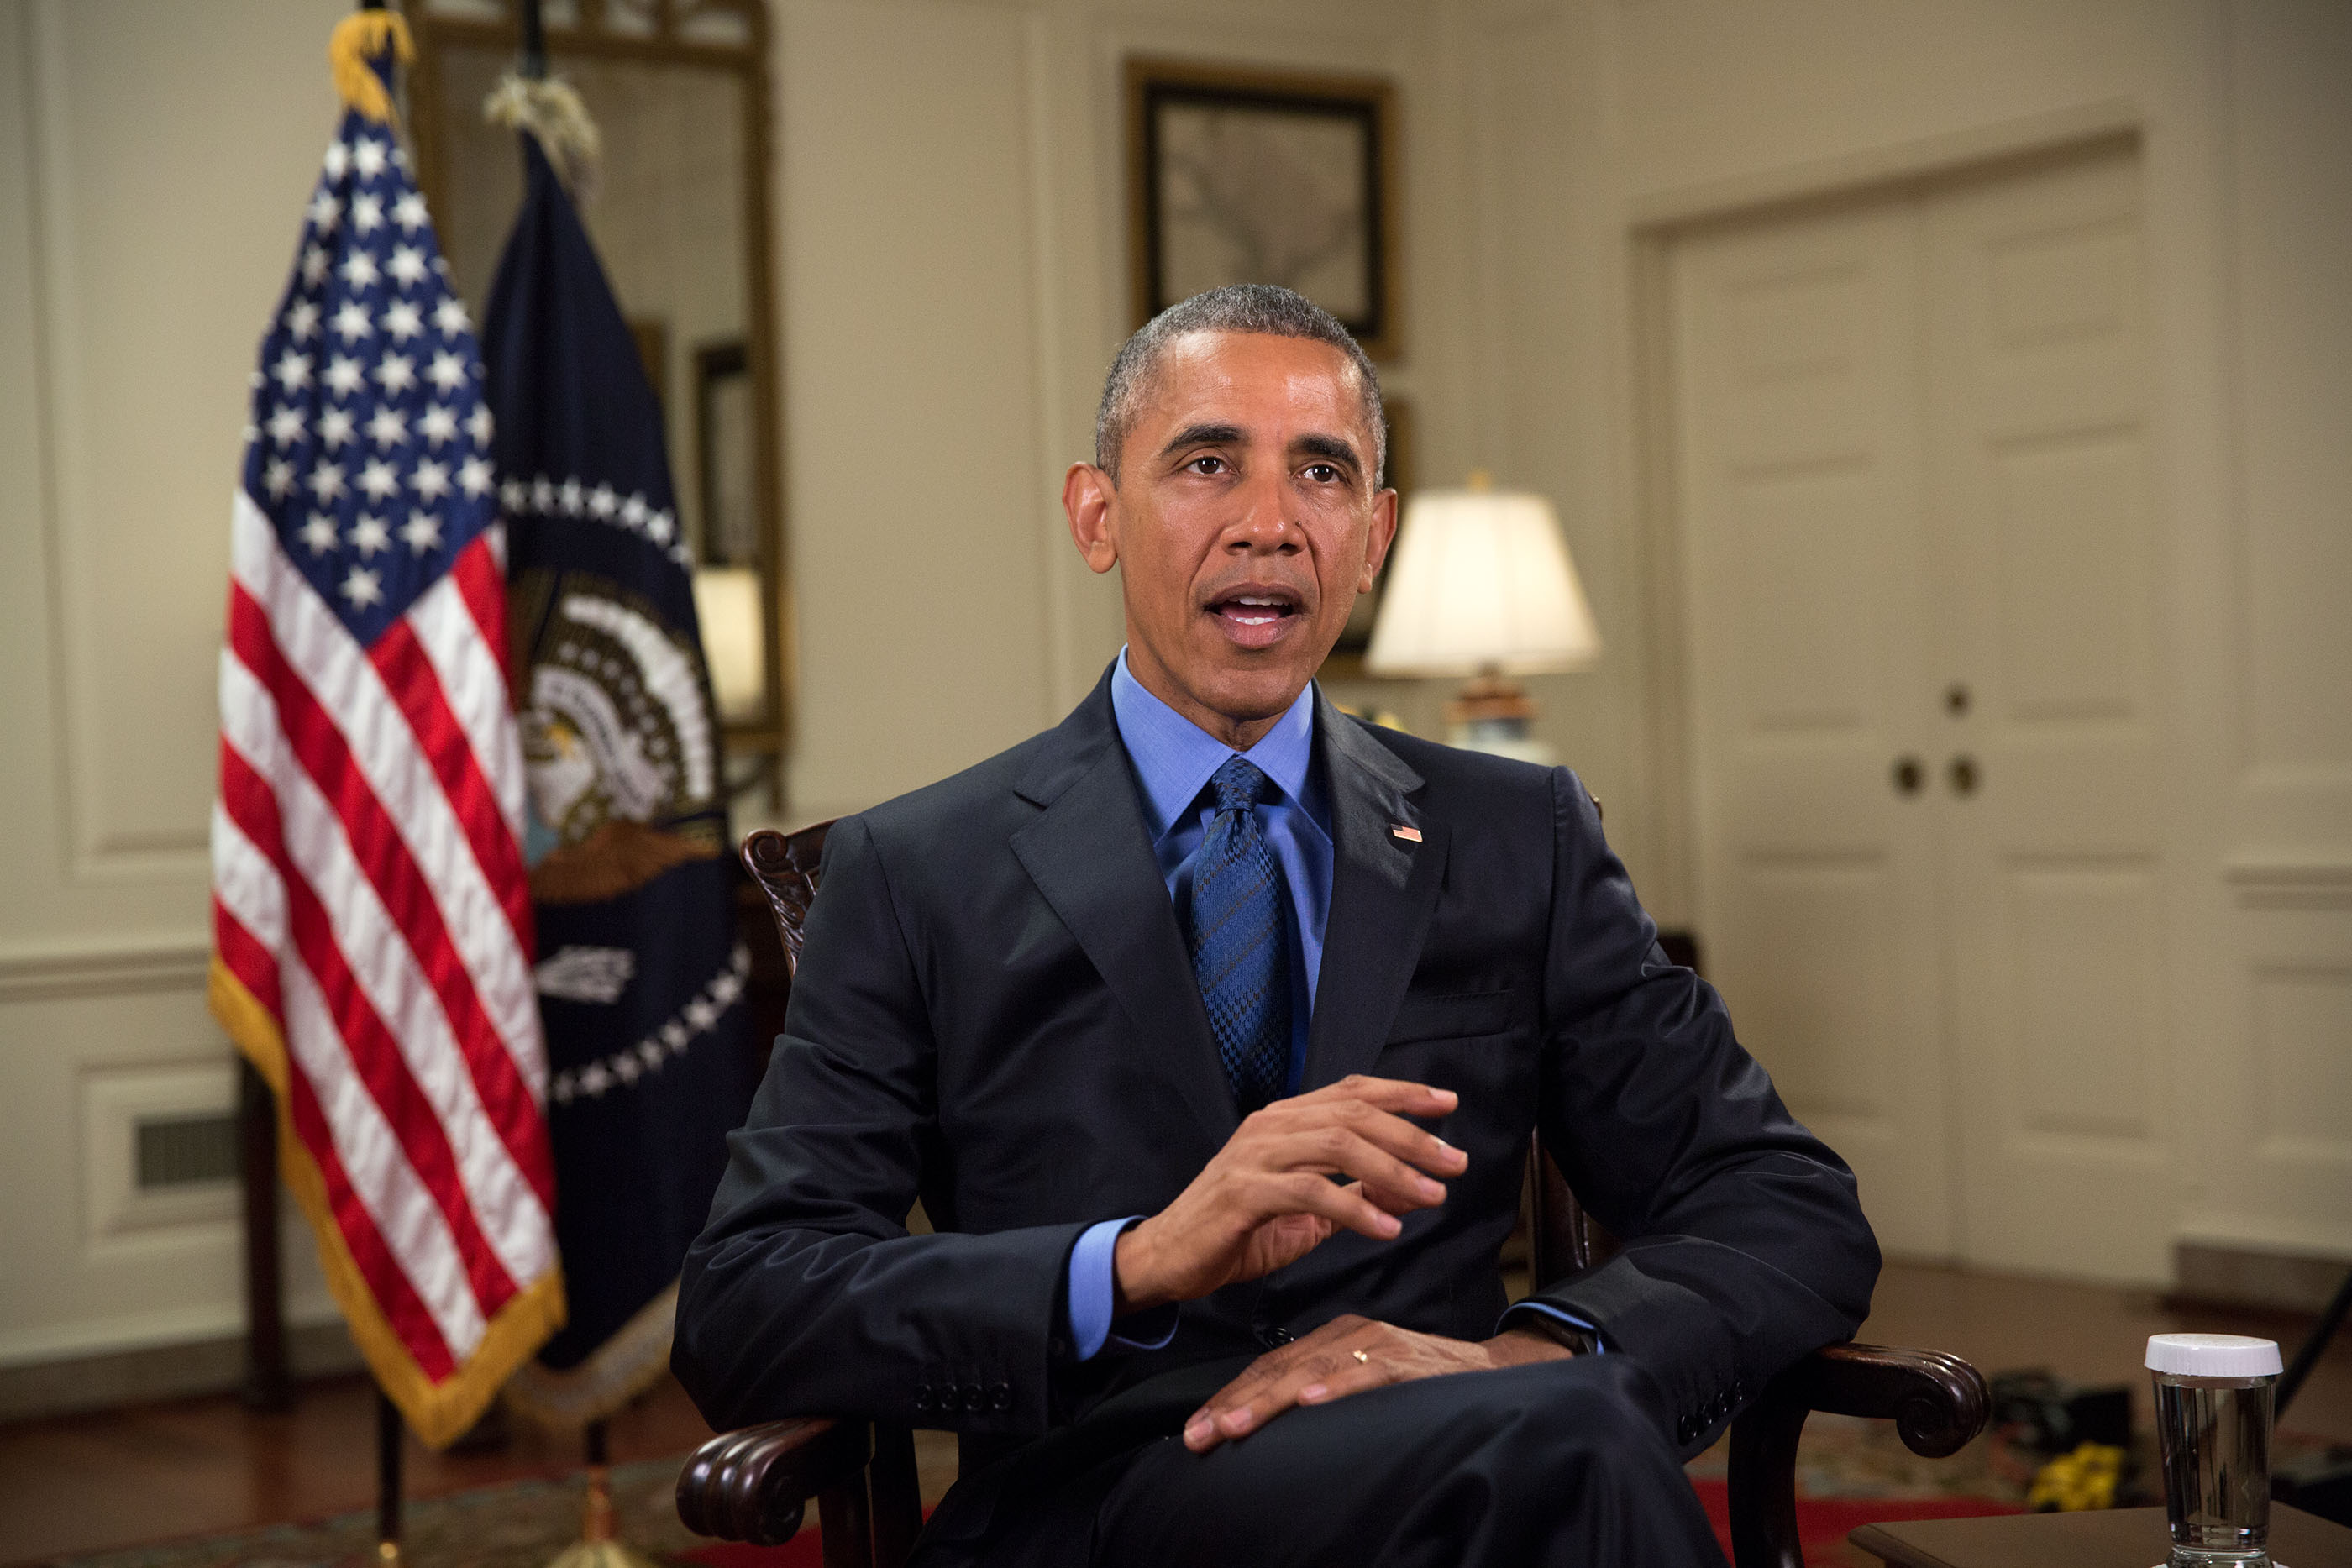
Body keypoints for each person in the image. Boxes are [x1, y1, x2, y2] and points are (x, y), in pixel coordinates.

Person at [674, 285, 1880, 1568]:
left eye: (1323, 473)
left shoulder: (1517, 836)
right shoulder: (918, 870)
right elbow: (750, 1302)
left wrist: (1520, 1352)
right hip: (1109, 1505)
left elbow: (1785, 1204)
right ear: (1097, 515)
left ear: (1373, 537)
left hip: (1474, 1460)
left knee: (1562, 1435)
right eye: (1206, 464)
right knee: (1574, 1449)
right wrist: (1133, 1263)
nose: (1269, 524)